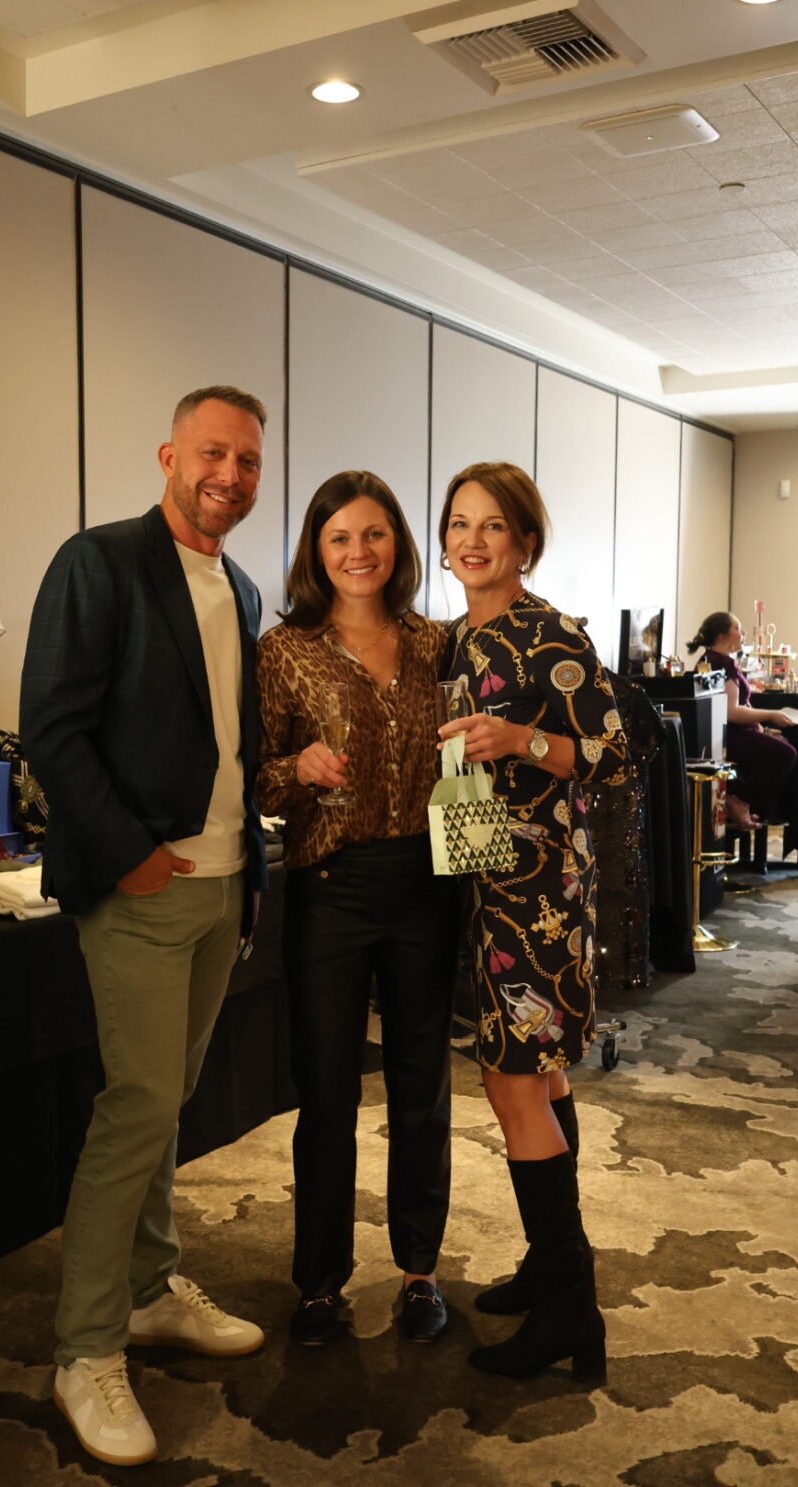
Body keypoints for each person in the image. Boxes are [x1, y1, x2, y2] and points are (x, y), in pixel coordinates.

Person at [20, 386, 270, 1467]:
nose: (229, 475)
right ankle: (84, 1349)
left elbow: (232, 736)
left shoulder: (242, 586)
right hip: (143, 888)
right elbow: (52, 726)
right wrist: (128, 851)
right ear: (170, 455)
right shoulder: (100, 560)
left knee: (166, 1100)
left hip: (223, 884)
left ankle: (148, 1287)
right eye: (213, 452)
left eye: (248, 461)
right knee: (136, 1108)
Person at [256, 471, 458, 1347]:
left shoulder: (437, 643)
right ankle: (318, 1284)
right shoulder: (284, 650)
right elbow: (255, 775)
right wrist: (295, 768)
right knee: (327, 1091)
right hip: (330, 889)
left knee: (420, 1085)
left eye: (373, 534)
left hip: (425, 882)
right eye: (339, 536)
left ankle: (419, 1272)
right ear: (316, 549)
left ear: (397, 545)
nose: (357, 552)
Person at [436, 461, 628, 1383]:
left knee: (511, 1082)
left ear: (524, 541)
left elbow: (614, 754)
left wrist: (521, 739)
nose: (472, 540)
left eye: (493, 525)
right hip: (480, 877)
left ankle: (569, 1310)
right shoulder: (455, 639)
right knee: (540, 1076)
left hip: (539, 889)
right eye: (458, 523)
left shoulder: (549, 632)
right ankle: (549, 1271)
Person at [687, 611, 797, 831]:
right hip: (729, 736)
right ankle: (739, 800)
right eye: (737, 628)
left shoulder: (710, 659)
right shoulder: (722, 663)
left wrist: (759, 724)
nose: (743, 632)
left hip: (727, 732)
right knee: (786, 754)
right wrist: (770, 715)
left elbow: (739, 705)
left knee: (780, 744)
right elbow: (731, 711)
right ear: (722, 636)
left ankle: (741, 803)